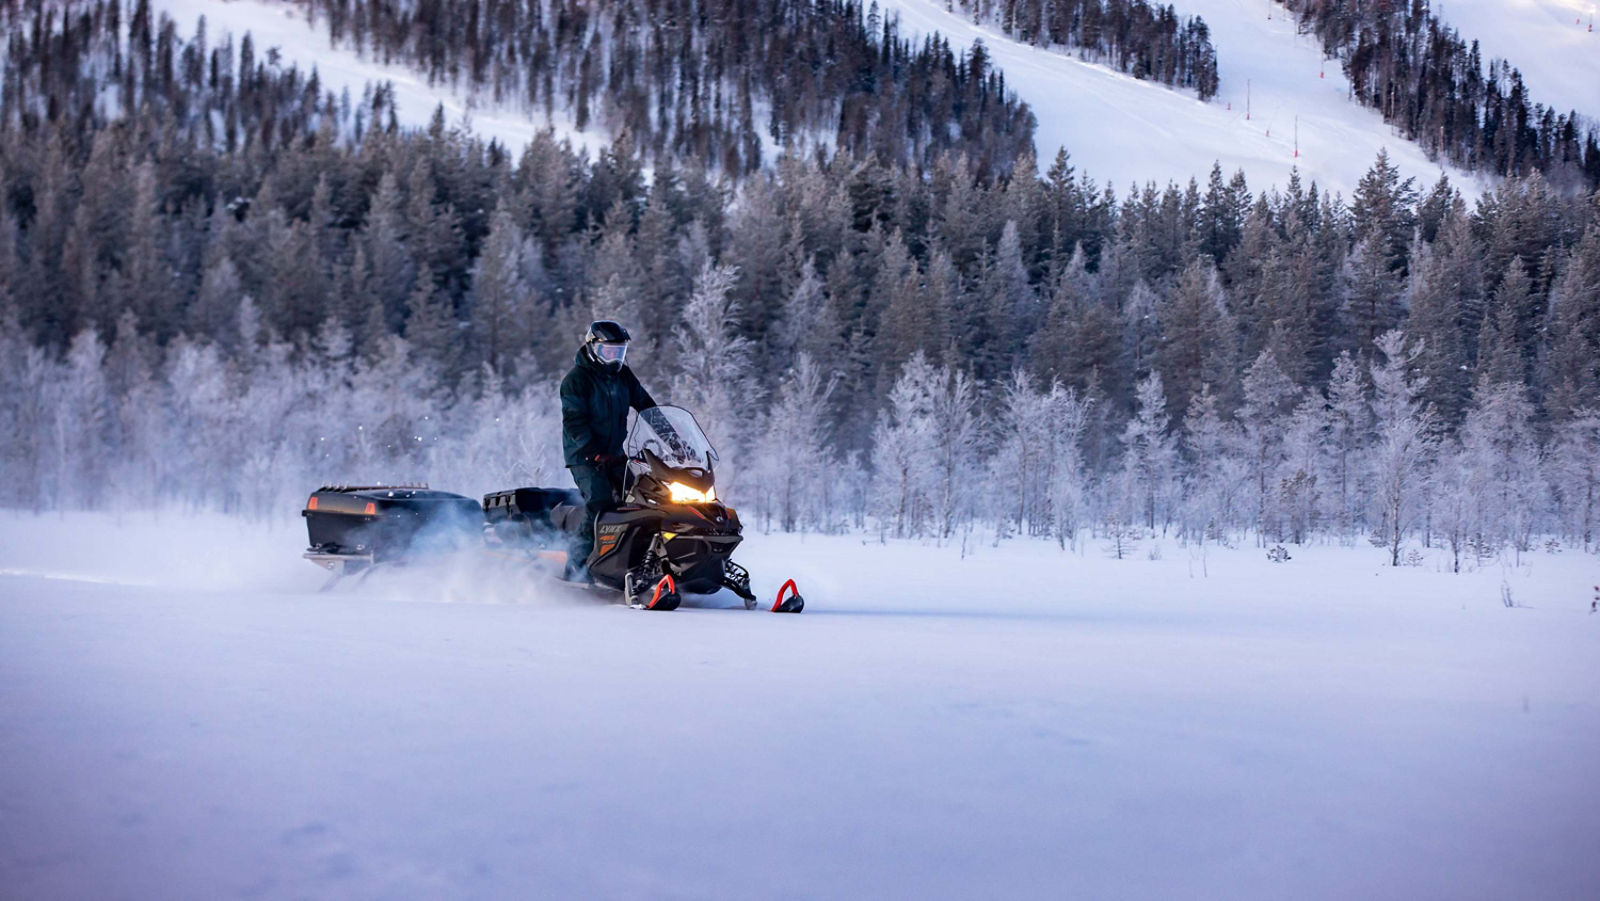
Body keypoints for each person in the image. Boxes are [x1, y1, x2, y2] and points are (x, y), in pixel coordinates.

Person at [560, 320, 656, 581]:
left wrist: (670, 435)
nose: (615, 358)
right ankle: (577, 565)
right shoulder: (576, 380)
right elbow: (574, 421)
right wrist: (592, 451)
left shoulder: (623, 376)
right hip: (584, 455)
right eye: (609, 352)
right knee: (600, 502)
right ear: (593, 349)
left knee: (644, 497)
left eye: (619, 352)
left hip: (613, 453)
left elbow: (646, 405)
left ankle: (639, 561)